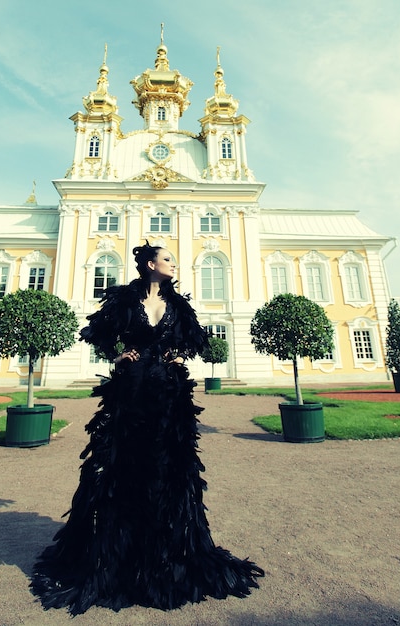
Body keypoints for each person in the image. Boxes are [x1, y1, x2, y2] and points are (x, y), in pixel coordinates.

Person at [31, 242, 263, 615]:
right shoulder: (125, 299)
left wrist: (181, 355)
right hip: (132, 390)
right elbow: (98, 332)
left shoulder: (179, 304)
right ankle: (119, 558)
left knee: (168, 468)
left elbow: (196, 339)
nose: (173, 263)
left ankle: (165, 557)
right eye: (167, 259)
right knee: (125, 467)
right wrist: (118, 356)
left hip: (169, 394)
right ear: (151, 264)